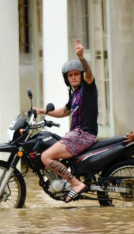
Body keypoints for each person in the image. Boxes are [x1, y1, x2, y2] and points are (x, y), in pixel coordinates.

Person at [33, 39, 98, 203]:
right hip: (76, 134)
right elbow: (64, 111)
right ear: (67, 78)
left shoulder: (87, 88)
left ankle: (76, 184)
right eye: (71, 75)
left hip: (84, 134)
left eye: (77, 74)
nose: (74, 77)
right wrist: (43, 111)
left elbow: (89, 74)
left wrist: (81, 58)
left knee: (46, 157)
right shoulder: (75, 94)